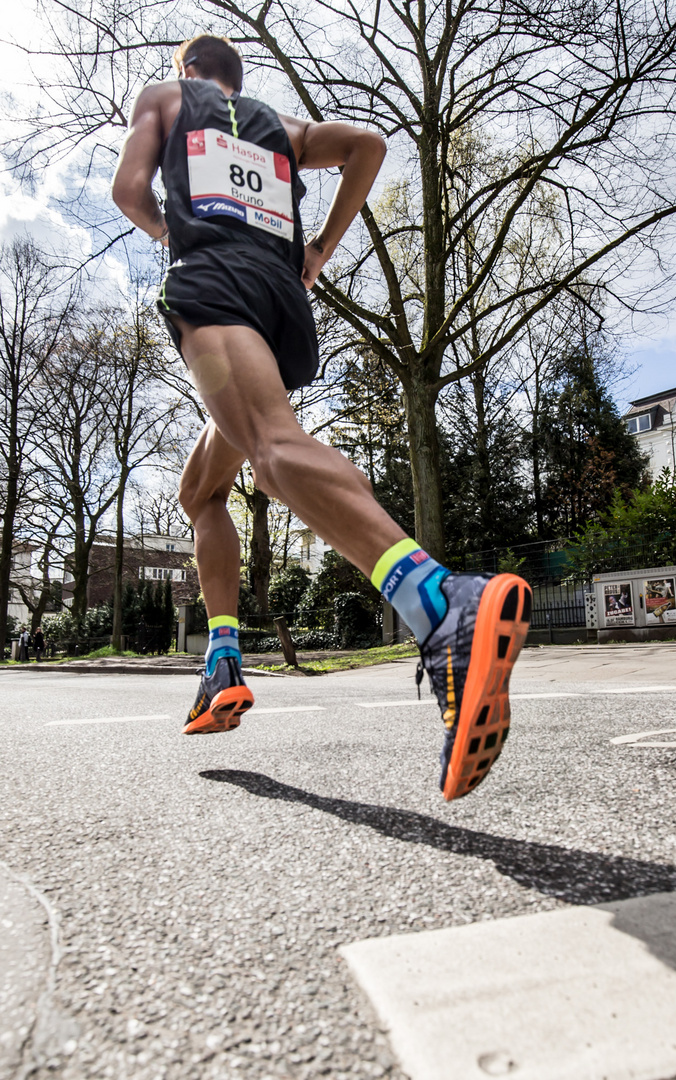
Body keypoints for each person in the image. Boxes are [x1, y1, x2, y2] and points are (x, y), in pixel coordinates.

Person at [112, 35, 532, 801]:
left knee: (272, 449)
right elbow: (367, 146)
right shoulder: (281, 127)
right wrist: (320, 249)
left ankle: (441, 605)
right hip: (280, 304)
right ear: (240, 77)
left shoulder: (168, 98)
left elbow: (128, 192)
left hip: (214, 282)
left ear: (188, 72)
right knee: (201, 490)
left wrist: (172, 232)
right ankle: (224, 659)